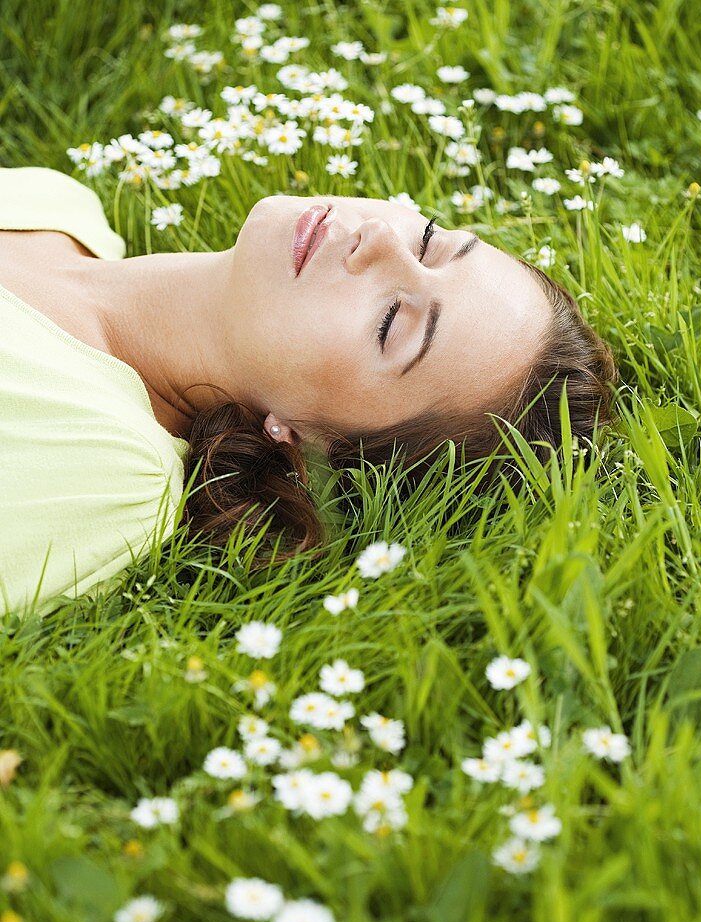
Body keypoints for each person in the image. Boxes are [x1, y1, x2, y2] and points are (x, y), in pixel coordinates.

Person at [0, 167, 617, 619]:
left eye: (390, 326)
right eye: (428, 240)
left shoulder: (108, 467)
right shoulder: (59, 206)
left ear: (306, 446)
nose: (378, 239)